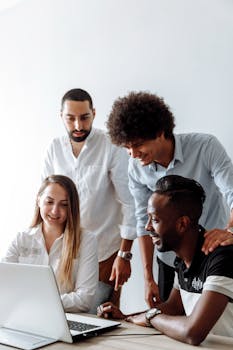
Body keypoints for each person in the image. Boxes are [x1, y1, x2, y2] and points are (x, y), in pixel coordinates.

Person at [107, 91, 233, 305]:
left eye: (137, 145)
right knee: (167, 325)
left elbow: (232, 191)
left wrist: (230, 231)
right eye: (127, 147)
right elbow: (141, 221)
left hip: (212, 252)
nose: (132, 154)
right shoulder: (135, 168)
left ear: (159, 132)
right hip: (168, 260)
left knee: (209, 328)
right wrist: (148, 278)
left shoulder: (205, 147)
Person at [97, 175, 233, 345]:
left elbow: (192, 332)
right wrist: (127, 318)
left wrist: (151, 317)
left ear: (182, 224)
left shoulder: (221, 257)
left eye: (154, 219)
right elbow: (173, 307)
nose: (147, 227)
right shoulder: (183, 259)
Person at [41, 89, 136, 307]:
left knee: (100, 319)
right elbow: (44, 199)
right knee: (60, 314)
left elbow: (129, 203)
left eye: (84, 117)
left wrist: (124, 254)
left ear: (93, 113)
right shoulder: (54, 149)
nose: (78, 126)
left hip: (105, 253)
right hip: (63, 252)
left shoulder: (111, 146)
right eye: (70, 118)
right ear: (61, 116)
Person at [3, 175, 98, 313]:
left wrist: (36, 301)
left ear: (72, 207)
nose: (55, 211)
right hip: (24, 315)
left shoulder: (87, 241)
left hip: (65, 319)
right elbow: (4, 282)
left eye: (64, 205)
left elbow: (84, 300)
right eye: (49, 202)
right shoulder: (22, 238)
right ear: (38, 200)